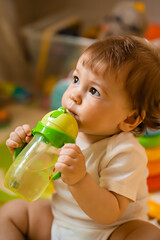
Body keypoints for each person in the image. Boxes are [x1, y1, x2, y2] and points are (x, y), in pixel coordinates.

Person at [1, 36, 160, 240]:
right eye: (76, 79)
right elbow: (38, 175)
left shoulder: (125, 152)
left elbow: (110, 214)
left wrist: (80, 180)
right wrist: (24, 153)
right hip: (60, 223)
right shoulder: (63, 132)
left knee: (149, 235)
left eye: (94, 91)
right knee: (13, 212)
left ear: (129, 118)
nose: (75, 94)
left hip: (110, 233)